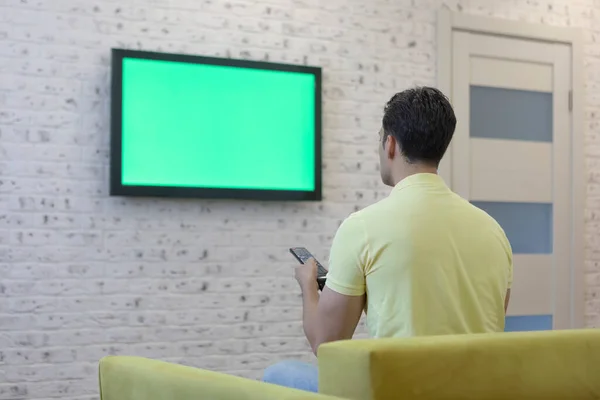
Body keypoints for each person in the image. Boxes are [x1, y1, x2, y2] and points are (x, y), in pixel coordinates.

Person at [263, 87, 513, 392]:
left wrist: (308, 285)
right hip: (478, 395)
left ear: (390, 144)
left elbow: (326, 344)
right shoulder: (493, 231)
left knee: (279, 373)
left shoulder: (363, 228)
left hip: (400, 393)